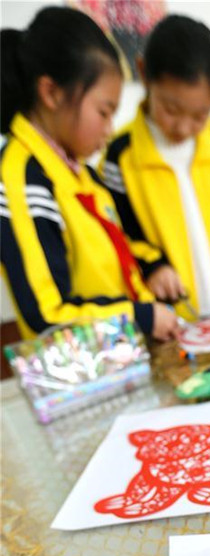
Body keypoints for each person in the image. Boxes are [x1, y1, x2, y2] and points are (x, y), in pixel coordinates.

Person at [0, 7, 178, 340]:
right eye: (104, 112)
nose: (110, 129)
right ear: (52, 93)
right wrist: (139, 316)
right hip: (82, 382)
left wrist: (153, 267)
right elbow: (47, 316)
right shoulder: (22, 180)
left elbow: (113, 252)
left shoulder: (81, 174)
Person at [102, 14, 210, 320]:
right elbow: (120, 237)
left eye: (200, 115)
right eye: (171, 109)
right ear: (144, 74)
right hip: (172, 328)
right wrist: (153, 266)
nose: (183, 127)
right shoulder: (121, 155)